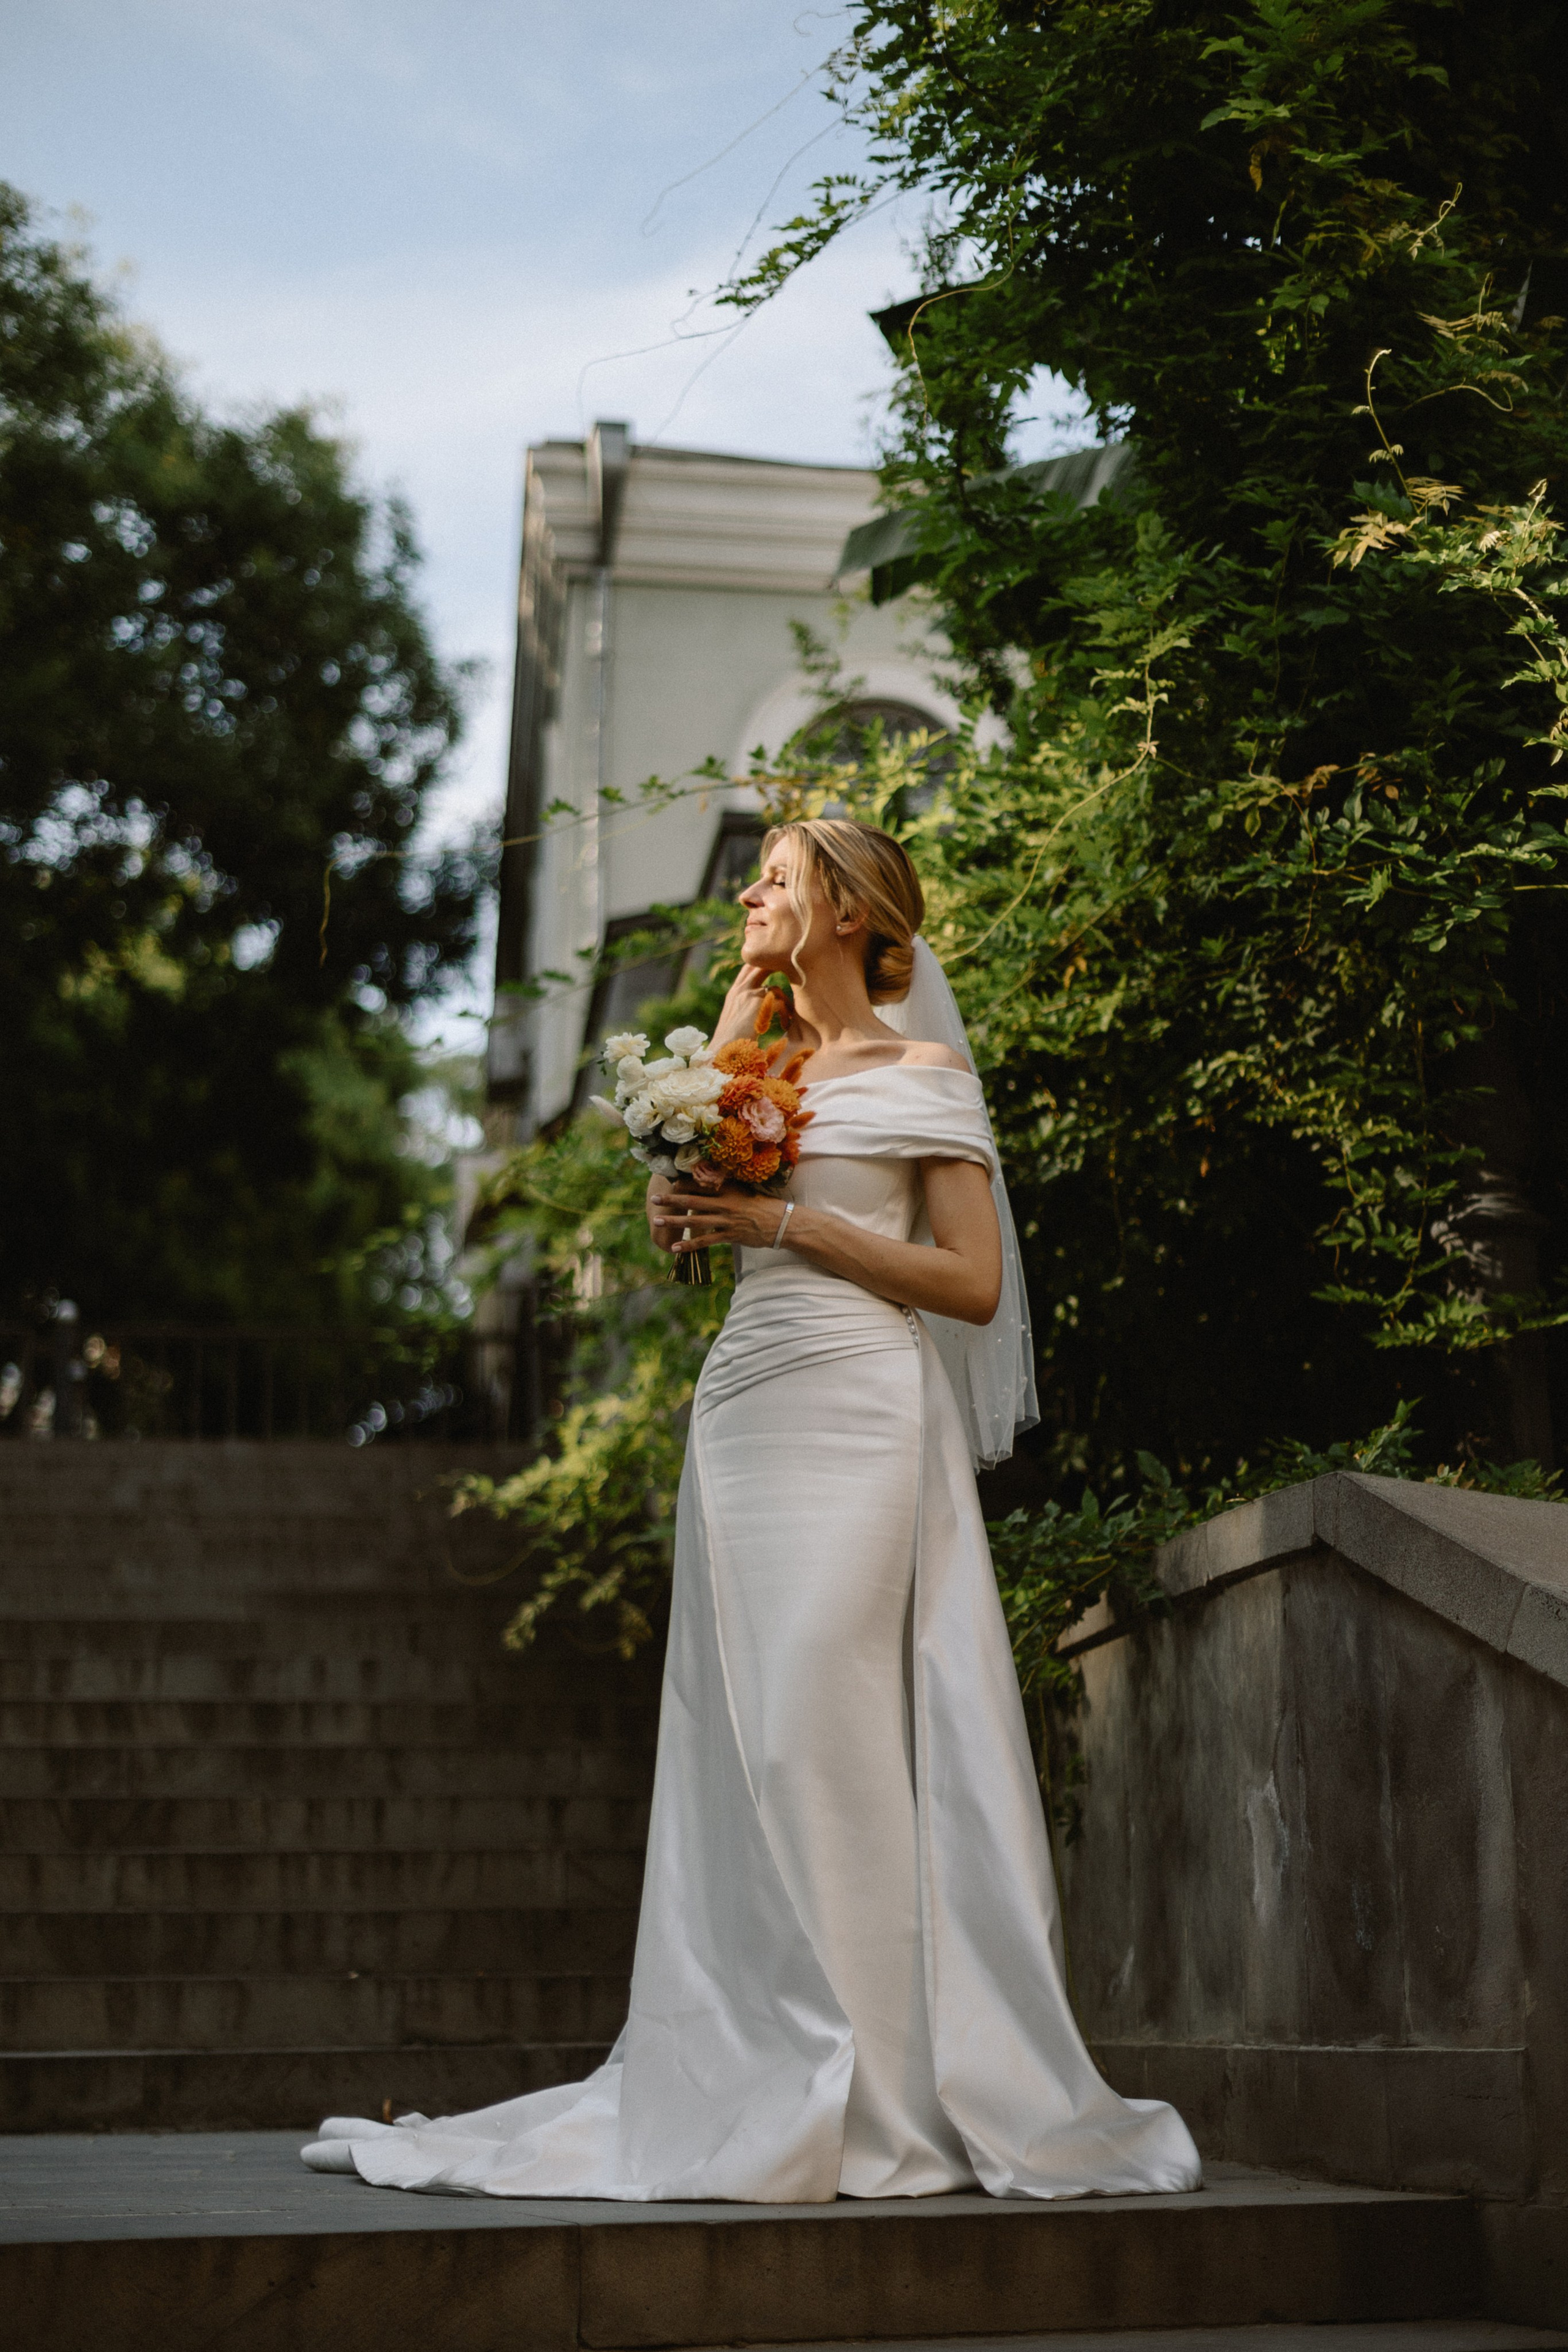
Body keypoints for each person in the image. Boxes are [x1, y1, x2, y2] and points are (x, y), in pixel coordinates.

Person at [303, 818, 1200, 2202]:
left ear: (848, 909)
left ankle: (887, 2089)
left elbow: (967, 1285)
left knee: (819, 1735)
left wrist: (792, 1227)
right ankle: (774, 2062)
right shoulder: (754, 1068)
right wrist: (685, 1201)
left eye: (776, 880)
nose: (752, 894)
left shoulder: (923, 1072)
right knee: (749, 1740)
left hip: (861, 1413)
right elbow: (694, 1214)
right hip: (742, 1416)